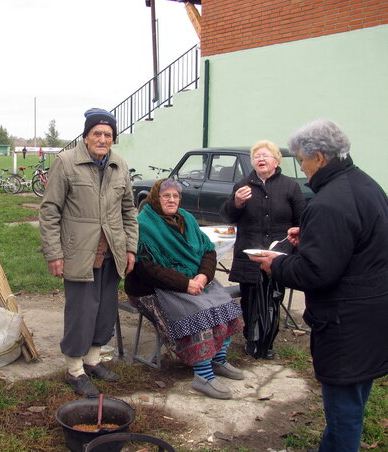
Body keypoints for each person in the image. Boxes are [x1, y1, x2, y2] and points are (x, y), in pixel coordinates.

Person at [249, 119, 388, 452]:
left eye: (302, 160)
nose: (302, 167)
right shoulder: (366, 185)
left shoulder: (329, 202)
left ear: (320, 158)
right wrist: (309, 236)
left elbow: (316, 273)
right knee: (354, 400)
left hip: (345, 324)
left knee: (344, 415)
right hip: (372, 315)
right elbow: (354, 246)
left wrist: (277, 263)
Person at [39, 108, 138, 397]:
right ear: (86, 136)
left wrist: (130, 248)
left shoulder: (119, 164)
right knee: (81, 313)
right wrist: (54, 253)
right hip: (78, 253)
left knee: (105, 310)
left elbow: (128, 211)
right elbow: (50, 210)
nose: (103, 139)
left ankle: (93, 361)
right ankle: (74, 369)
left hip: (112, 251)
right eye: (97, 133)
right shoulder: (66, 162)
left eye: (108, 135)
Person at [125, 179, 244, 399]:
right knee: (197, 312)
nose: (172, 200)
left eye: (176, 196)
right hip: (151, 288)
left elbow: (208, 251)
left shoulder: (187, 219)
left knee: (224, 304)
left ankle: (218, 359)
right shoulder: (144, 224)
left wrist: (203, 276)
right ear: (155, 198)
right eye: (166, 196)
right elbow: (147, 269)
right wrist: (185, 284)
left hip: (192, 280)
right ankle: (203, 375)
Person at [220, 140, 305, 359]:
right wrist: (236, 202)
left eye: (265, 155)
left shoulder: (289, 186)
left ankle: (267, 341)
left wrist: (296, 243)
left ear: (276, 161)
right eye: (256, 156)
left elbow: (301, 219)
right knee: (249, 297)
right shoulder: (243, 185)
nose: (260, 159)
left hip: (279, 251)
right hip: (249, 253)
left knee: (273, 297)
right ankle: (251, 338)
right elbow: (228, 216)